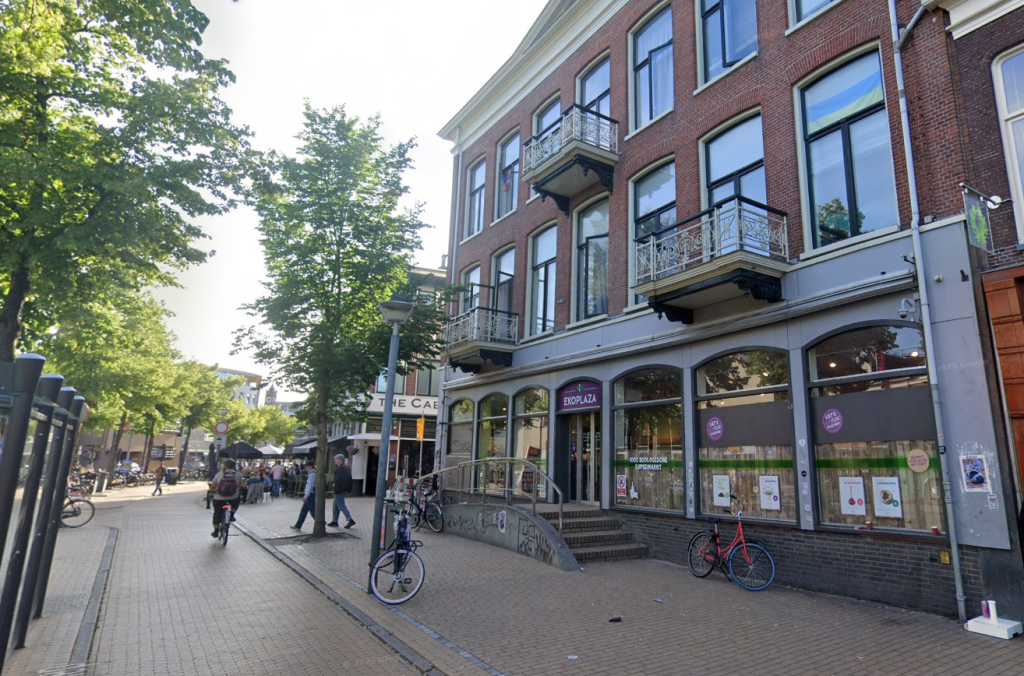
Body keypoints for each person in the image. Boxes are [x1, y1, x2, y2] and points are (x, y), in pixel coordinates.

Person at [208, 459, 242, 537]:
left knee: (217, 513)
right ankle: (232, 514)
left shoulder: (219, 474)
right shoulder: (238, 475)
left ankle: (216, 531)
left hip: (219, 498)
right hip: (233, 497)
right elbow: (240, 486)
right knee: (237, 500)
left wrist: (211, 491)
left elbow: (213, 486)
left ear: (225, 466)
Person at [327, 453, 355, 529]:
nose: (335, 460)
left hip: (339, 490)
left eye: (336, 459)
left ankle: (350, 519)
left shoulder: (340, 469)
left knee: (341, 505)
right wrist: (349, 489)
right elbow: (350, 479)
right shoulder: (347, 468)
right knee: (335, 505)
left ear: (340, 460)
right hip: (343, 489)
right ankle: (335, 521)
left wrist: (336, 490)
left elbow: (338, 480)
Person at [291, 459, 317, 531]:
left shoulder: (312, 474)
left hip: (311, 495)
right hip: (310, 494)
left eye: (306, 466)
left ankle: (320, 522)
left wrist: (306, 495)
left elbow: (310, 486)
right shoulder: (311, 474)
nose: (306, 468)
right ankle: (298, 525)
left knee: (312, 511)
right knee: (304, 511)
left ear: (310, 466)